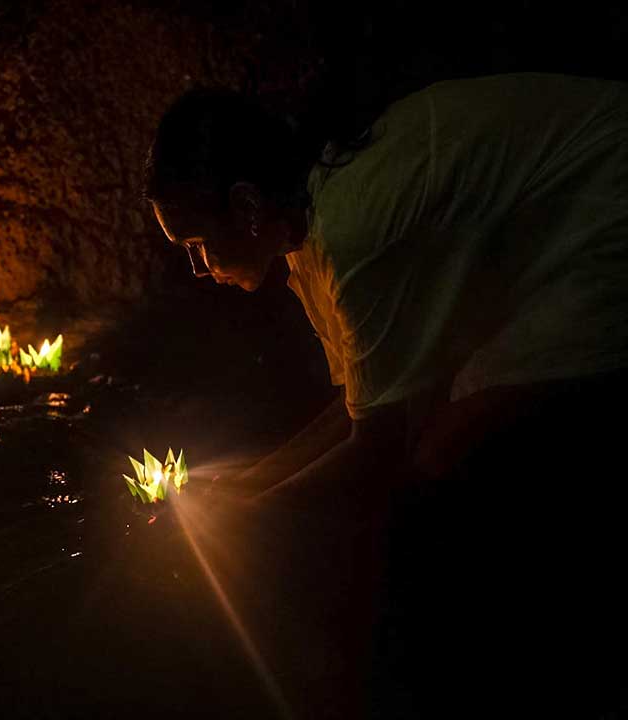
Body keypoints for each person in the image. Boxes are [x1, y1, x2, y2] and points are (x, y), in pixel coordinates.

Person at [145, 74, 628, 718]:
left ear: (247, 205)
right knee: (438, 427)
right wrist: (244, 484)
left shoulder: (348, 229)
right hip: (556, 220)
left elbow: (378, 448)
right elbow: (361, 405)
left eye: (197, 244)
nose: (199, 269)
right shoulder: (306, 235)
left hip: (608, 197)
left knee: (441, 450)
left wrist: (244, 517)